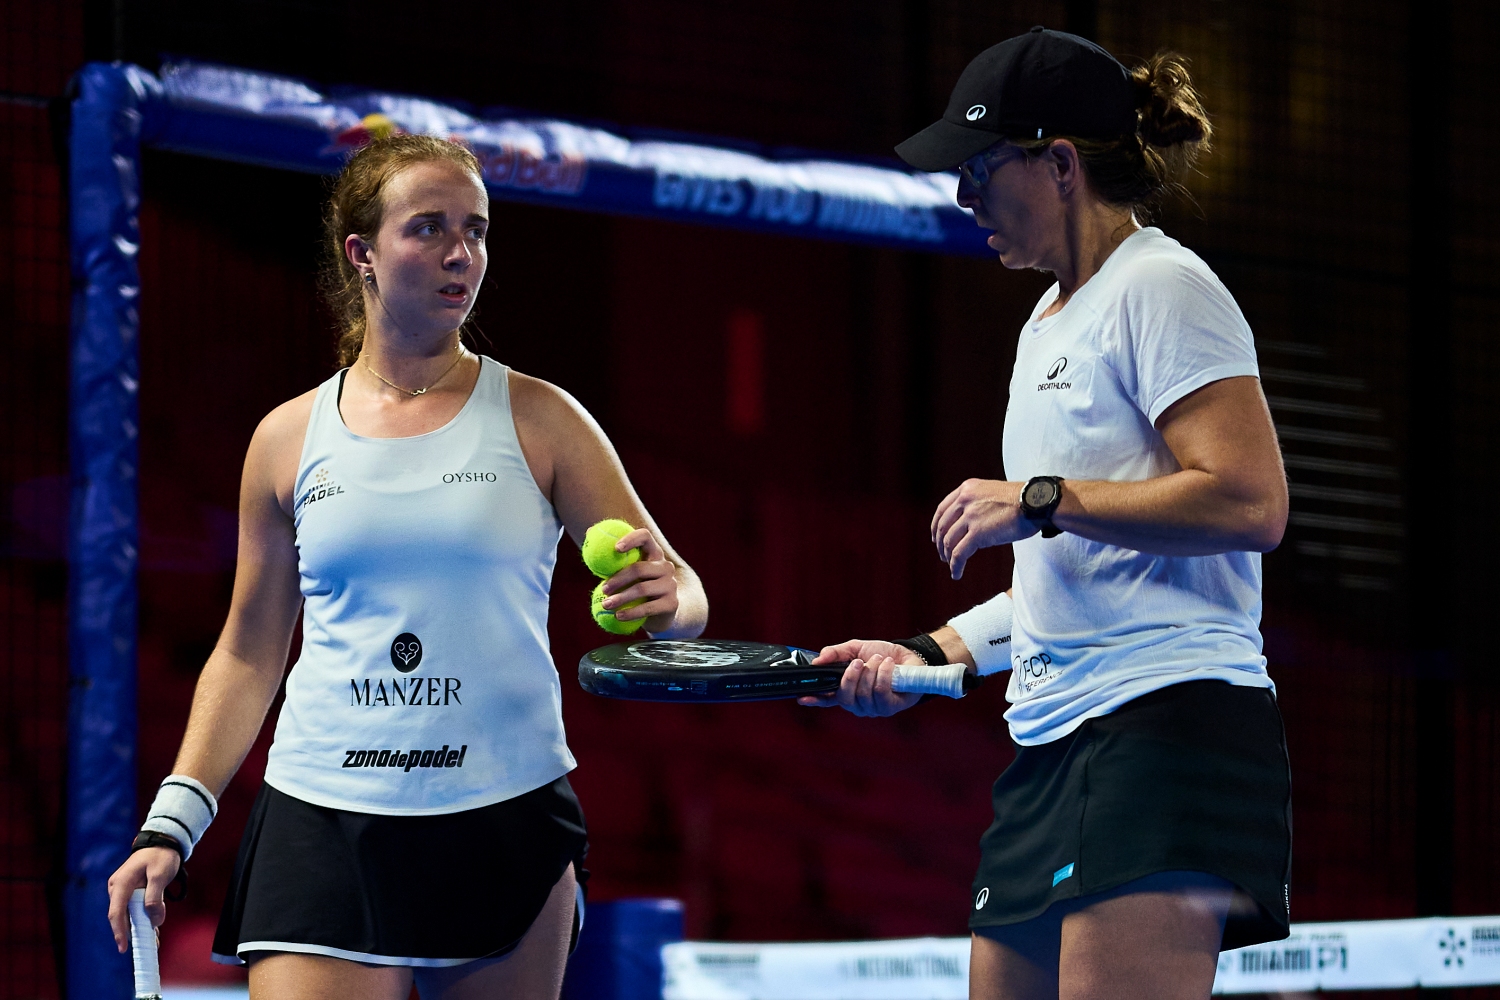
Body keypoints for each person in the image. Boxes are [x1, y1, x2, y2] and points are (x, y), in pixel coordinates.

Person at [104, 134, 708, 999]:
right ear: (362, 253)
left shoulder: (543, 417)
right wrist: (171, 823)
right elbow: (247, 651)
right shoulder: (284, 438)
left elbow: (682, 589)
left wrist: (667, 601)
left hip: (503, 808)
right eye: (428, 227)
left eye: (476, 229)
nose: (462, 253)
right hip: (321, 815)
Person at [803, 28, 1291, 1000]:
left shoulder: (1161, 285)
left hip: (1166, 728)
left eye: (979, 169)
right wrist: (924, 656)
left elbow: (1251, 499)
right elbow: (1064, 570)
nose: (963, 197)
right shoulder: (1044, 324)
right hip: (1051, 745)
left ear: (1060, 164)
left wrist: (1040, 498)